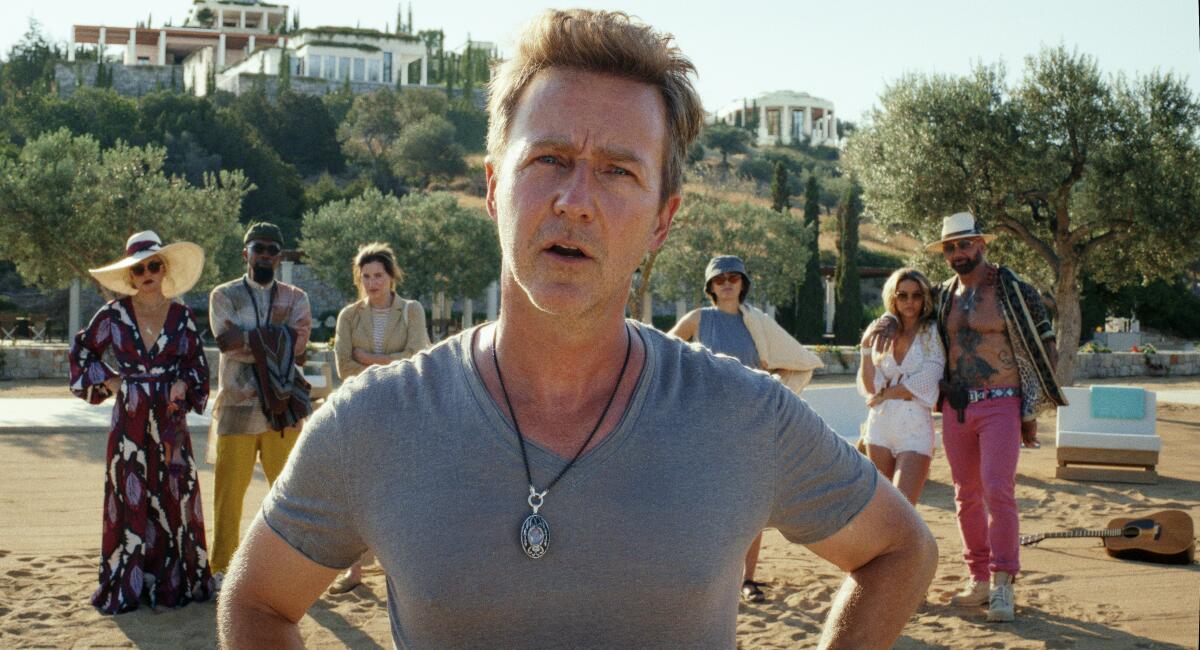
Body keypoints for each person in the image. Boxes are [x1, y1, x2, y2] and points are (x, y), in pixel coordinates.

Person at [219, 10, 937, 648]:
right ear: (497, 187)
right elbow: (256, 602)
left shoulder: (747, 415)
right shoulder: (371, 423)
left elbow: (901, 552)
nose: (575, 201)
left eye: (619, 172)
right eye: (550, 159)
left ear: (663, 218)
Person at [866, 212, 1066, 622]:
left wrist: (1031, 403)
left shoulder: (1012, 289)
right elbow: (908, 311)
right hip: (956, 407)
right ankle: (977, 578)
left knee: (998, 489)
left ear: (982, 244)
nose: (958, 252)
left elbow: (1046, 343)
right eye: (950, 247)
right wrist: (886, 318)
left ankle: (1002, 582)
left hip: (1001, 401)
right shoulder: (941, 295)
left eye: (965, 244)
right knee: (965, 497)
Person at [70, 230, 213, 614]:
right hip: (129, 422)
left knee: (172, 494)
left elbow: (198, 366)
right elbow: (81, 353)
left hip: (169, 423)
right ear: (130, 276)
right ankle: (129, 580)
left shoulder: (183, 318)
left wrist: (184, 381)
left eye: (153, 265)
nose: (147, 272)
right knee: (130, 494)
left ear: (163, 269)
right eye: (139, 268)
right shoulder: (113, 315)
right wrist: (114, 381)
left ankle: (173, 581)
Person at [668, 254, 824, 603]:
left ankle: (747, 579)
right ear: (710, 286)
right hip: (704, 423)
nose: (727, 283)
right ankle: (706, 579)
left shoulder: (758, 323)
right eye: (720, 279)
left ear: (742, 283)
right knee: (704, 503)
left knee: (751, 505)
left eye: (733, 278)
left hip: (749, 425)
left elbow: (797, 360)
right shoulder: (698, 318)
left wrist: (772, 395)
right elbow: (666, 351)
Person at [207, 222, 312, 588]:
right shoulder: (224, 295)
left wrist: (250, 340)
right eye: (259, 248)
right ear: (245, 253)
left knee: (286, 493)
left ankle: (287, 567)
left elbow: (298, 347)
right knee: (228, 494)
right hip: (237, 405)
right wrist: (277, 344)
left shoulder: (296, 297)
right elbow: (226, 344)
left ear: (279, 257)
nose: (265, 255)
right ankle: (222, 567)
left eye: (272, 249)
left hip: (282, 409)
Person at [328, 242, 431, 592]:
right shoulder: (349, 316)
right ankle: (354, 571)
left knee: (398, 491)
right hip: (360, 408)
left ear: (391, 276)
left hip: (403, 407)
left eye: (379, 275)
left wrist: (369, 358)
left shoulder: (411, 311)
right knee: (355, 489)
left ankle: (396, 572)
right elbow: (344, 367)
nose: (373, 282)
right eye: (366, 276)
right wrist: (390, 359)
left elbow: (419, 357)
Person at [855, 268, 944, 506]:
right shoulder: (883, 331)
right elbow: (870, 387)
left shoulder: (932, 332)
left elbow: (928, 379)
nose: (910, 302)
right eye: (902, 295)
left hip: (915, 427)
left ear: (925, 298)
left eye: (916, 295)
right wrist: (865, 347)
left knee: (903, 507)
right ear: (893, 297)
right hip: (880, 425)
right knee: (882, 506)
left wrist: (886, 394)